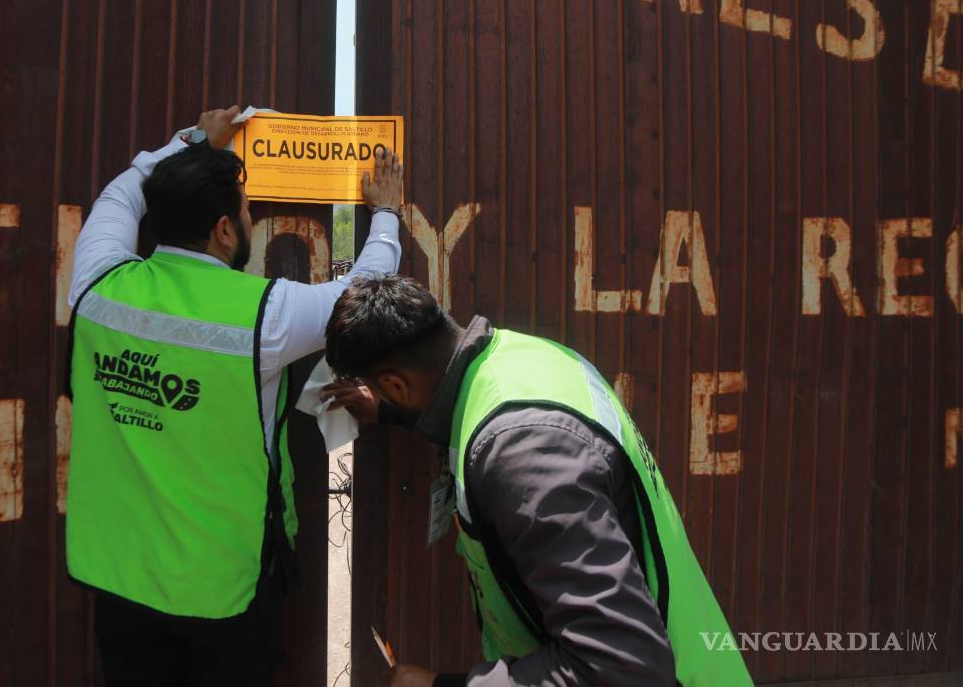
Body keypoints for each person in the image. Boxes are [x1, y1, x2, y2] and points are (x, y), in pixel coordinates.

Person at [65, 105, 404, 685]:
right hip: (222, 594)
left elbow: (120, 196)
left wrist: (193, 142)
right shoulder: (263, 316)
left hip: (117, 586)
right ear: (225, 230)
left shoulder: (97, 286)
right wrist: (388, 213)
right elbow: (364, 290)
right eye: (245, 213)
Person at [321, 275, 753, 687]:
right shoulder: (523, 359)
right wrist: (392, 410)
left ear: (395, 383)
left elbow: (622, 669)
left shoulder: (522, 453)